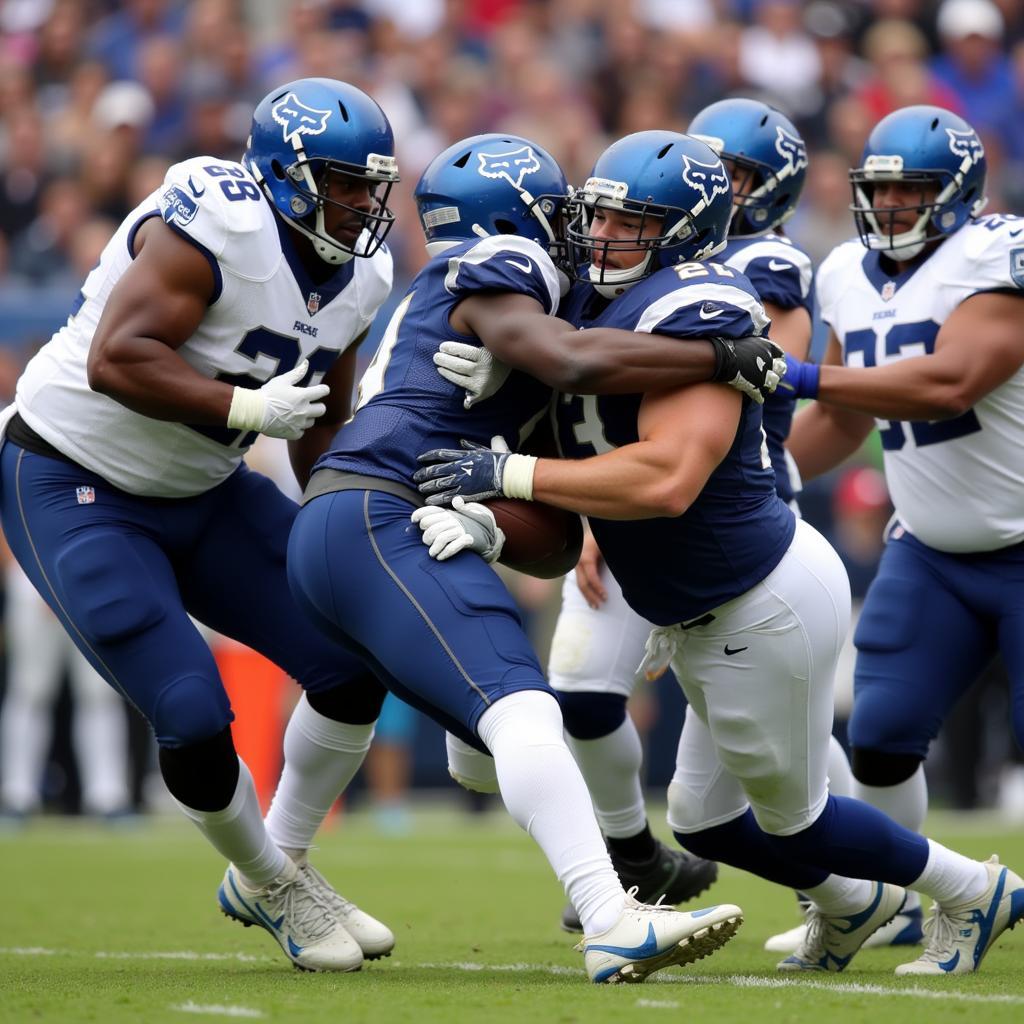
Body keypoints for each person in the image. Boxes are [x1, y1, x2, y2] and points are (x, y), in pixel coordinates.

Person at [415, 128, 1024, 977]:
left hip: (755, 598)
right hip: (701, 599)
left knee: (799, 819)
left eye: (633, 222)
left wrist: (514, 473)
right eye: (599, 217)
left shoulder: (706, 306)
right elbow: (578, 370)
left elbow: (666, 479)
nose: (604, 238)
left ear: (688, 229)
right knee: (702, 818)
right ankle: (854, 909)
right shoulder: (596, 300)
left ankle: (972, 889)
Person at [285, 131, 786, 984]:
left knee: (365, 706)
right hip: (386, 512)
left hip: (345, 517)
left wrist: (490, 523)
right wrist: (717, 352)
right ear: (520, 218)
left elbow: (554, 542)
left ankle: (270, 865)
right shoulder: (508, 260)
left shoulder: (448, 290)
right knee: (524, 711)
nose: (578, 233)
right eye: (563, 214)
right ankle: (611, 914)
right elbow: (571, 356)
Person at [0, 77, 403, 973]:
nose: (361, 204)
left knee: (354, 662)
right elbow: (118, 358)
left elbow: (323, 419)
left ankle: (281, 864)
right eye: (341, 182)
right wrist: (243, 408)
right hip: (74, 473)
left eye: (370, 185)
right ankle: (271, 880)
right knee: (189, 707)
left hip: (206, 485)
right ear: (286, 176)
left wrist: (353, 515)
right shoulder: (217, 222)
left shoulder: (361, 272)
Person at [532, 98, 858, 936]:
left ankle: (853, 882)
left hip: (721, 511)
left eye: (741, 172)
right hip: (629, 501)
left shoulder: (755, 268)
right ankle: (627, 860)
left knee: (777, 740)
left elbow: (761, 369)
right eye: (710, 164)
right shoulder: (625, 256)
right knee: (582, 692)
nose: (722, 183)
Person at [778, 103, 1024, 973]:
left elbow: (952, 382)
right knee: (879, 737)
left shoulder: (996, 254)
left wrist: (799, 372)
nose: (889, 208)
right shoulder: (845, 269)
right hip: (931, 548)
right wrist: (770, 474)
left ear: (955, 194)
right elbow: (846, 416)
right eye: (879, 191)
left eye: (910, 191)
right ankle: (921, 905)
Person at [0, 559, 133, 821]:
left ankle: (108, 795)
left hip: (93, 576)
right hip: (31, 575)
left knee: (100, 692)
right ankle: (17, 795)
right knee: (30, 691)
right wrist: (39, 577)